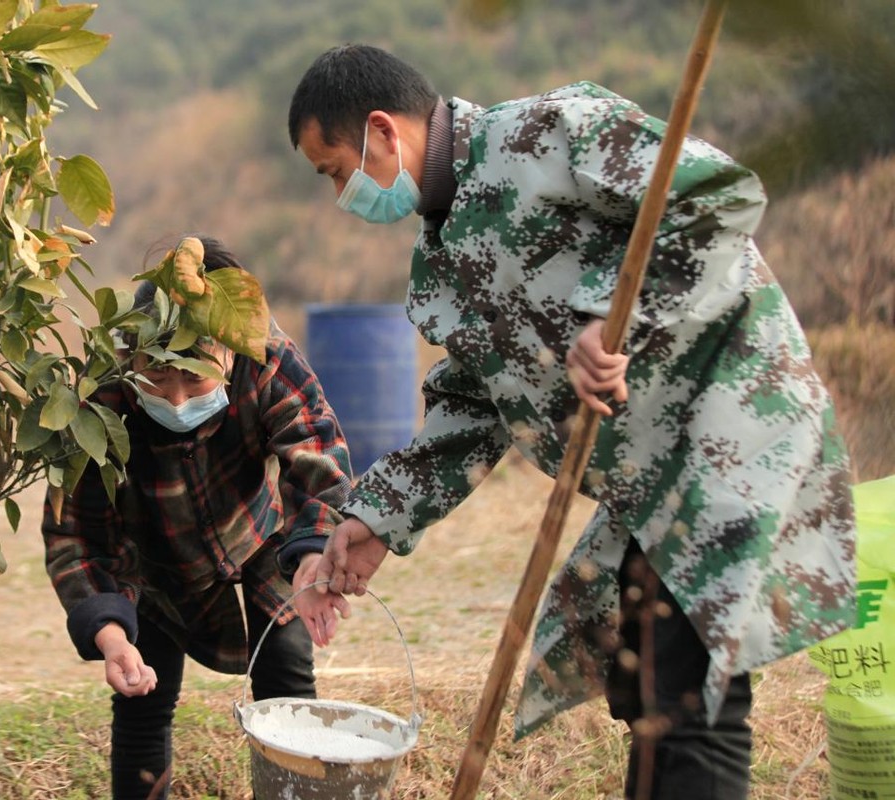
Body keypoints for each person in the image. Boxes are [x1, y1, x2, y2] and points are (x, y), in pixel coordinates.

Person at [284, 44, 857, 800]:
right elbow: (473, 407)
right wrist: (374, 520)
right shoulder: (442, 261)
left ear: (384, 132)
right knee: (641, 683)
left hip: (726, 427)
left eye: (335, 171)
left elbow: (711, 195)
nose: (341, 196)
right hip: (646, 477)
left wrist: (610, 319)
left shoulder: (552, 133)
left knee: (688, 693)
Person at [41, 235, 353, 800]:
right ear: (133, 356)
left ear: (230, 355)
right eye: (159, 378)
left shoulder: (266, 356)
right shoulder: (99, 397)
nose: (179, 398)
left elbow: (317, 457)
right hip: (153, 562)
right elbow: (77, 536)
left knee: (286, 682)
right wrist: (111, 637)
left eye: (196, 377)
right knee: (141, 698)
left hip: (260, 538)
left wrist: (313, 558)